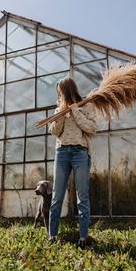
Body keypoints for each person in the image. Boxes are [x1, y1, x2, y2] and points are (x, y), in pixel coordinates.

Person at [48, 77, 97, 249]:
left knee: (82, 196)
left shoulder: (86, 106)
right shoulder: (58, 109)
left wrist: (76, 111)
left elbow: (92, 129)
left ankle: (83, 238)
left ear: (66, 90)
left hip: (80, 153)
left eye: (60, 92)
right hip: (61, 153)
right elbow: (54, 131)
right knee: (57, 196)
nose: (58, 95)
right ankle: (52, 236)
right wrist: (61, 112)